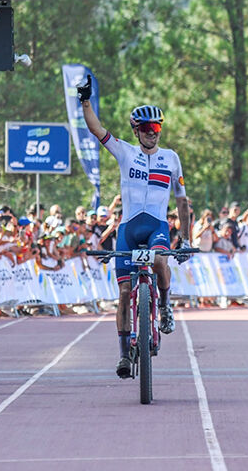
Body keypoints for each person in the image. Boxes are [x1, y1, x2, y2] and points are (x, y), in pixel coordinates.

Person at [78, 74, 190, 379]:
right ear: (136, 131)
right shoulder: (125, 151)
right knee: (125, 292)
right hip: (128, 228)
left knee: (159, 260)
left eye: (156, 128)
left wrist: (187, 237)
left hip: (156, 225)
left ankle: (165, 306)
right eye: (146, 129)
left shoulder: (171, 158)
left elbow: (182, 201)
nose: (152, 134)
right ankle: (124, 354)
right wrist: (84, 100)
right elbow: (95, 128)